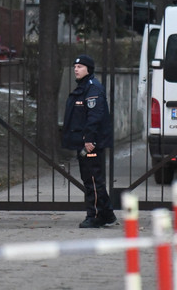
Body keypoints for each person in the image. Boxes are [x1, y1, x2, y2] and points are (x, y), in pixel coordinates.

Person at [62, 54, 117, 228]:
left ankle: (94, 215)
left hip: (90, 142)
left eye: (80, 66)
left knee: (93, 179)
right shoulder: (83, 87)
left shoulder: (93, 88)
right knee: (91, 179)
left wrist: (89, 139)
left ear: (88, 69)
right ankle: (107, 214)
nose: (76, 69)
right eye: (75, 66)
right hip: (84, 141)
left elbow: (95, 116)